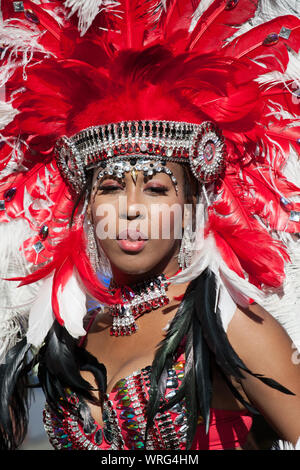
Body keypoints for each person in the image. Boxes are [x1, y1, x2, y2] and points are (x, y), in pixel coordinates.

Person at [0, 0, 300, 451]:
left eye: (157, 189)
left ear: (191, 203)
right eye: (110, 188)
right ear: (86, 207)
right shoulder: (72, 332)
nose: (131, 209)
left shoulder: (231, 324)